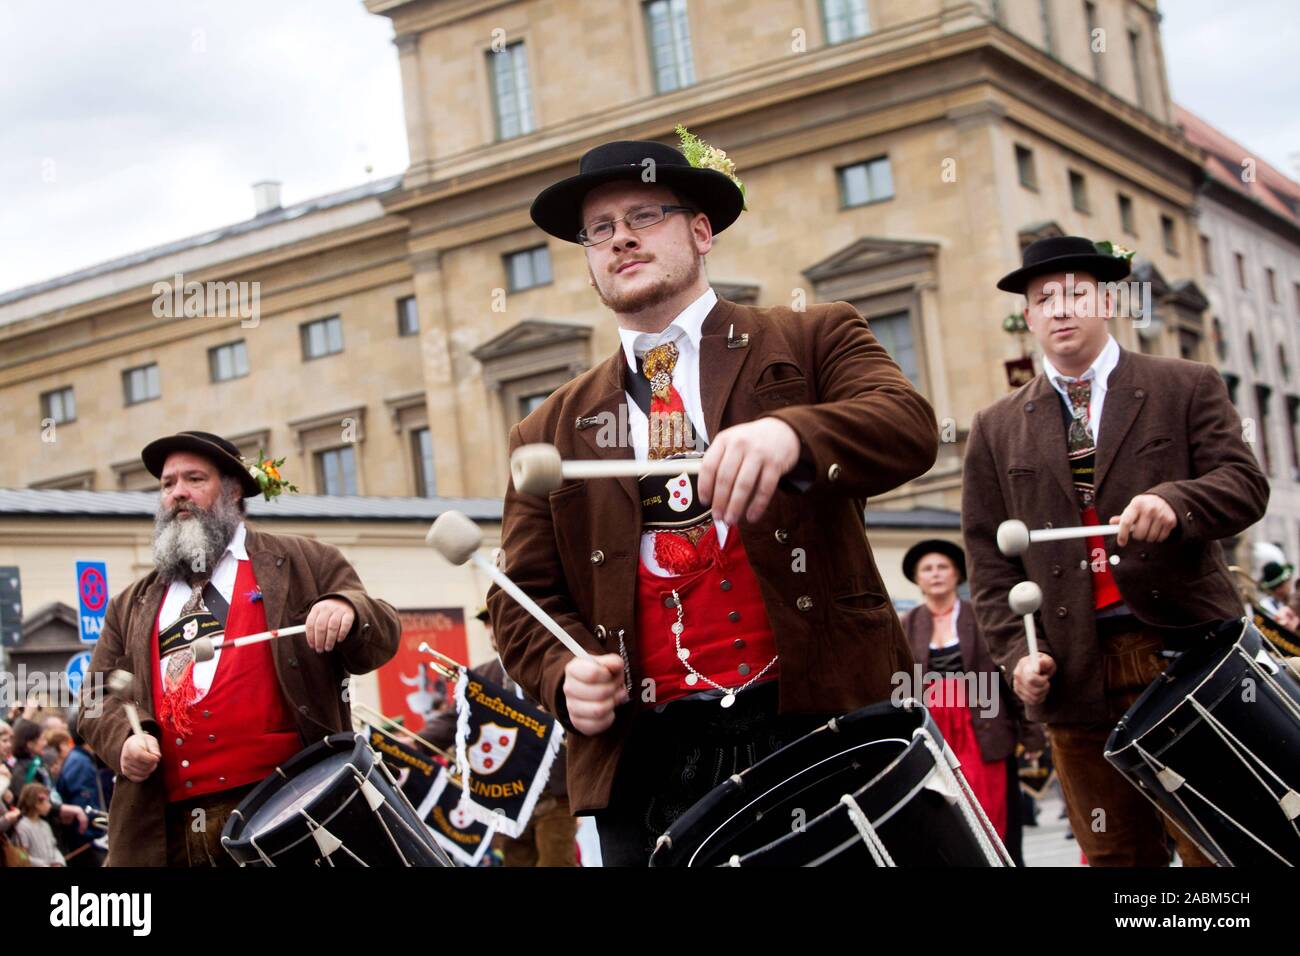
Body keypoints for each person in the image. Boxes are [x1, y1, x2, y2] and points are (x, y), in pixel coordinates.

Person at [490, 136, 938, 865]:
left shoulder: (813, 335)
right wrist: (559, 673)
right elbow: (519, 597)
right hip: (649, 758)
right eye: (599, 230)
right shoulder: (547, 428)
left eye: (644, 214)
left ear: (701, 232)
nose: (621, 238)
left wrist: (793, 436)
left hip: (824, 722)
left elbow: (908, 426)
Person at [962, 236, 1269, 866]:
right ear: (1029, 314)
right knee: (1115, 858)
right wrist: (1020, 656)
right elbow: (990, 563)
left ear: (1107, 299)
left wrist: (1177, 504)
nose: (1060, 308)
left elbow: (1245, 486)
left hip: (1188, 656)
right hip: (1075, 674)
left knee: (1217, 847)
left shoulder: (1183, 385)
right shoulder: (996, 426)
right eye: (1044, 298)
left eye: (1076, 292)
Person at [78, 431, 401, 867]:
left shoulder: (306, 562)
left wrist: (346, 608)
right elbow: (95, 696)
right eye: (168, 484)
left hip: (289, 809)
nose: (178, 493)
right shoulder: (130, 603)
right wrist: (123, 743)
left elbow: (382, 635)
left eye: (194, 479)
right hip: (168, 831)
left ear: (232, 490)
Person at [899, 539, 1044, 866]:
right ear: (917, 578)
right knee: (946, 815)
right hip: (935, 734)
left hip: (983, 726)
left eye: (942, 567)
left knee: (990, 810)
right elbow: (901, 686)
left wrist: (1031, 730)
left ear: (957, 575)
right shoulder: (906, 625)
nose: (935, 575)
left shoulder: (981, 617)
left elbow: (1007, 675)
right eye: (927, 569)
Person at [421, 608, 577, 866]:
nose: (492, 631)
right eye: (487, 625)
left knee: (557, 862)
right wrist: (417, 742)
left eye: (496, 622)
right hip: (507, 795)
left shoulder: (546, 664)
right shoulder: (481, 675)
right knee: (516, 863)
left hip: (554, 792)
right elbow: (453, 719)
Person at [14, 784, 65, 866]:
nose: (50, 805)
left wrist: (58, 862)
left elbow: (53, 847)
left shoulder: (45, 825)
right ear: (36, 804)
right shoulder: (22, 827)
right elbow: (22, 855)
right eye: (47, 802)